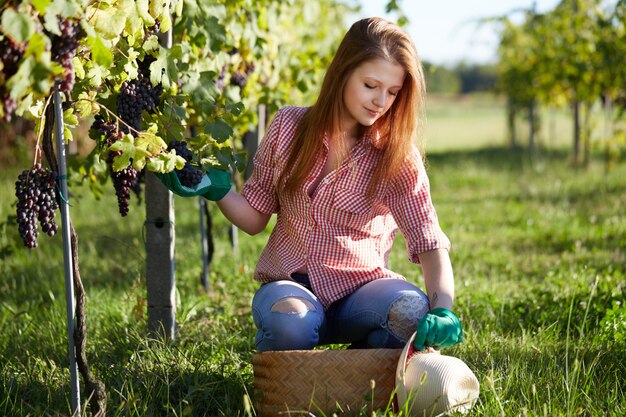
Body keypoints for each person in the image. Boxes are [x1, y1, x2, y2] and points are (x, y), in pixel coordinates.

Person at [158, 17, 463, 353]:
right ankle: (299, 386)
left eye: (392, 92)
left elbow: (430, 243)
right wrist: (217, 191)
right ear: (342, 72)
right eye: (370, 85)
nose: (380, 101)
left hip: (362, 293)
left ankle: (354, 379)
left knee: (411, 313)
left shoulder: (396, 155)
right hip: (292, 290)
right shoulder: (288, 127)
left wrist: (443, 308)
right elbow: (254, 219)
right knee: (289, 324)